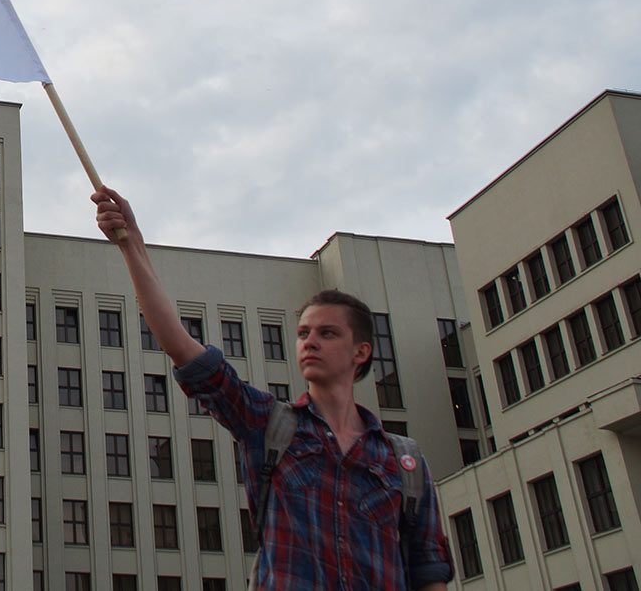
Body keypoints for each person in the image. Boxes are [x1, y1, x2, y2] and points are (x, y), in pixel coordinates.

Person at [92, 186, 454, 590]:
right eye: (303, 333)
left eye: (327, 333)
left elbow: (428, 570)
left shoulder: (403, 461)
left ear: (361, 351)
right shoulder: (270, 426)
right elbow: (182, 346)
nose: (310, 341)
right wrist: (132, 243)